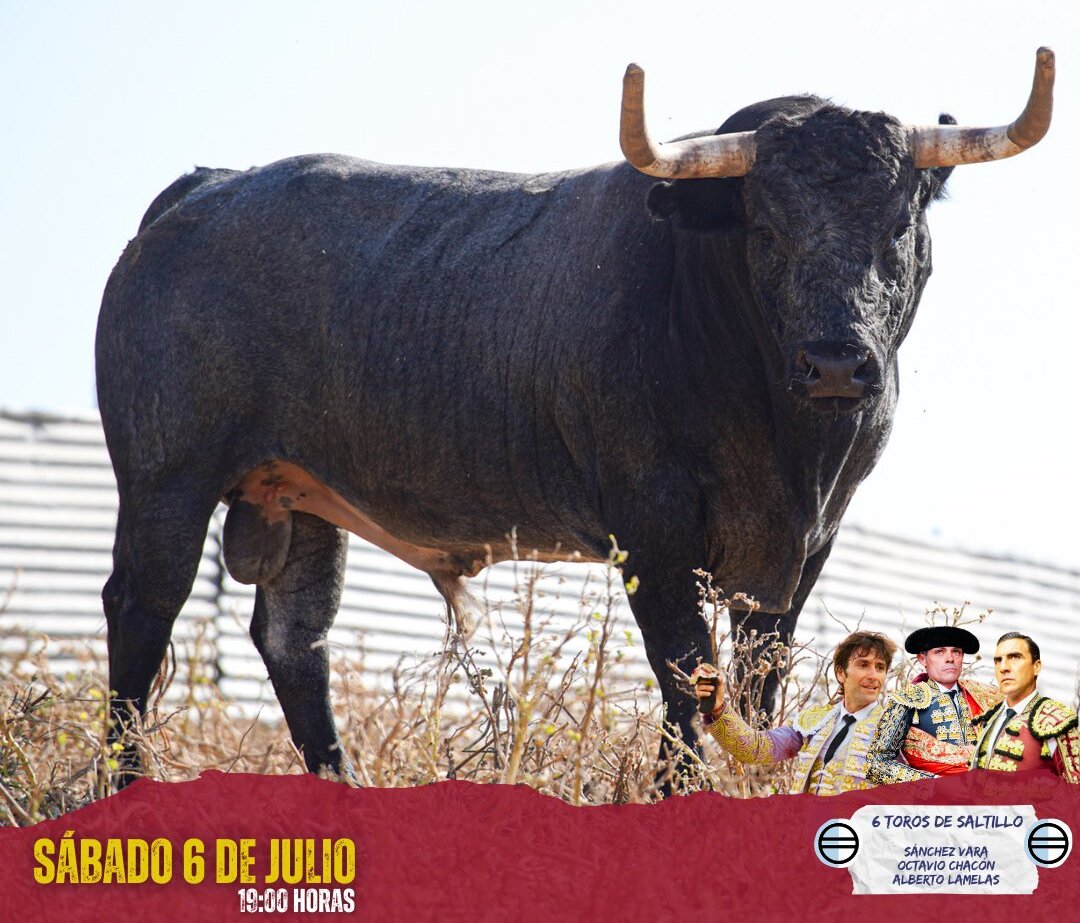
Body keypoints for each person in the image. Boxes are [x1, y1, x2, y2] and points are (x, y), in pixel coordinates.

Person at [690, 630, 898, 795]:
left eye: (880, 668)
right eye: (863, 665)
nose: (873, 675)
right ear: (841, 673)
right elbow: (755, 748)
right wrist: (718, 707)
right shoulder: (816, 722)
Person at [866, 625, 1000, 784]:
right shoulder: (906, 701)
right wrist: (933, 784)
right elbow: (876, 764)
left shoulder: (988, 696)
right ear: (923, 659)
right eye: (939, 652)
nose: (950, 658)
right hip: (933, 801)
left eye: (956, 652)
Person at [970, 632, 1080, 781]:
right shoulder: (988, 718)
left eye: (1014, 657)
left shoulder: (1056, 721)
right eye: (998, 660)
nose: (1003, 667)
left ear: (1037, 667)